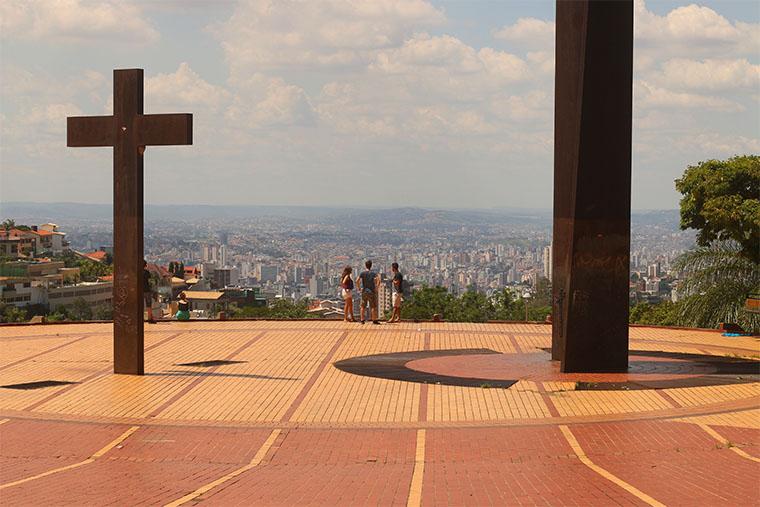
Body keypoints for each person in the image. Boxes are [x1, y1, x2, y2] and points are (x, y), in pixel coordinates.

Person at [357, 260, 380, 324]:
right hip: (371, 291)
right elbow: (379, 279)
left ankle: (362, 320)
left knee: (363, 306)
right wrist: (376, 287)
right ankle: (374, 320)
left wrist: (359, 288)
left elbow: (357, 280)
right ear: (371, 265)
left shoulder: (362, 273)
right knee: (373, 306)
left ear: (365, 265)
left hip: (364, 291)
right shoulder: (373, 273)